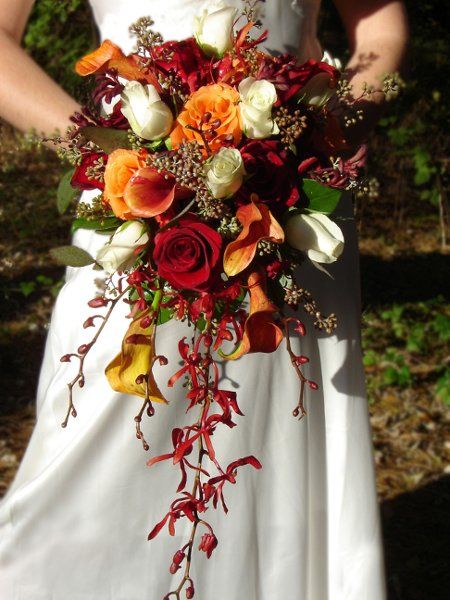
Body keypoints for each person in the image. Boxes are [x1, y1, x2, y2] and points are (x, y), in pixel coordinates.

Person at [0, 1, 408, 599]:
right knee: (100, 434)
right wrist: (102, 150)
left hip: (287, 191)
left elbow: (381, 27)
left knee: (277, 441)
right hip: (130, 189)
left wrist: (325, 133)